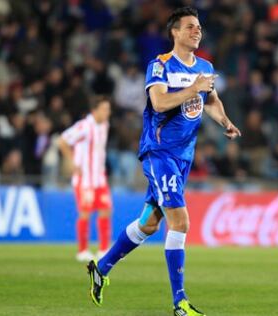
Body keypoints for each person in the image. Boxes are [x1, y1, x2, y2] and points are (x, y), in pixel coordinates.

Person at [86, 7, 241, 316]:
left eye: (199, 27)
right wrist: (192, 88)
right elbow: (159, 102)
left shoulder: (205, 67)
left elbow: (210, 101)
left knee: (150, 224)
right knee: (180, 221)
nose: (197, 31)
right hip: (160, 153)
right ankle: (179, 303)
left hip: (184, 156)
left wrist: (225, 122)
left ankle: (101, 268)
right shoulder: (160, 66)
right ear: (175, 32)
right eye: (190, 27)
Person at [57, 95, 112, 262]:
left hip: (99, 177)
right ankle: (82, 251)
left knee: (106, 209)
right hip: (85, 178)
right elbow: (62, 141)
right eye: (104, 109)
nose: (107, 113)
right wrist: (72, 161)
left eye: (108, 109)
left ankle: (103, 250)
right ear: (94, 110)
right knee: (85, 213)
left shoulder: (105, 125)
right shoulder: (84, 126)